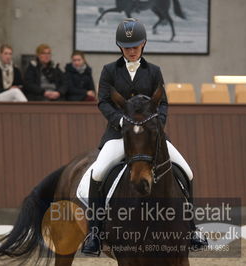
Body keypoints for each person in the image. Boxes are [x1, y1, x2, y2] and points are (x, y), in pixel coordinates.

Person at [80, 18, 208, 256]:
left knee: (187, 171)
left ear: (144, 44)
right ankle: (95, 233)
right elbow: (103, 101)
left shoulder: (154, 71)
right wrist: (120, 121)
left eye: (135, 46)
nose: (131, 50)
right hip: (119, 135)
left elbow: (163, 104)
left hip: (151, 136)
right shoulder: (109, 70)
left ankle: (191, 228)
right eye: (127, 47)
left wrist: (156, 125)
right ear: (120, 47)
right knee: (97, 174)